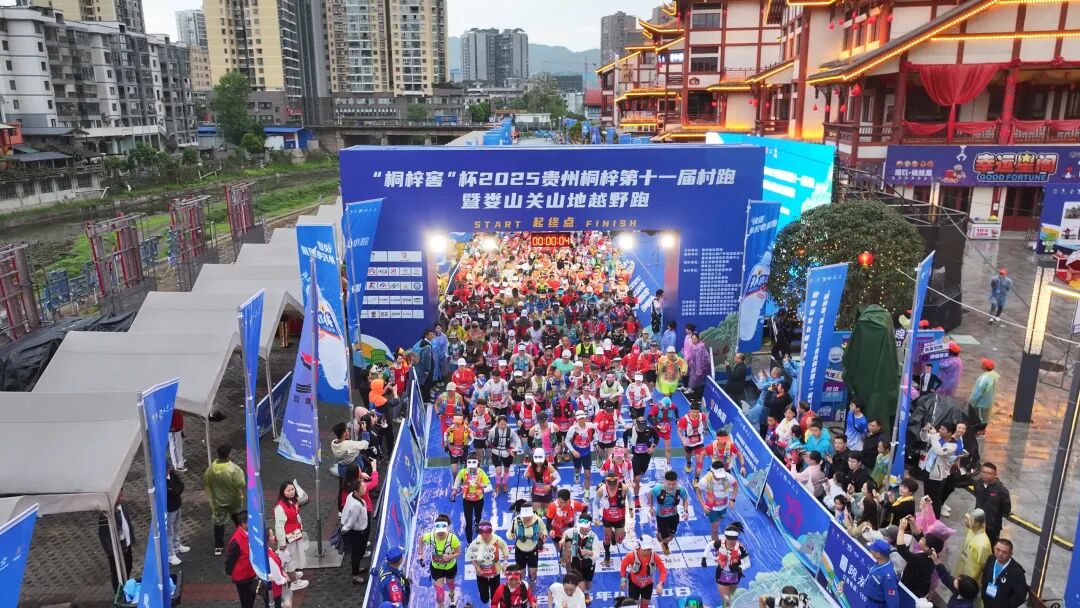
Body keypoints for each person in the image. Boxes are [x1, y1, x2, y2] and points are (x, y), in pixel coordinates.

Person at [204, 443, 245, 555]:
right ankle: (243, 540)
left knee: (218, 522)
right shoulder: (234, 469)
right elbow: (241, 483)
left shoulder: (210, 469)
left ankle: (218, 546)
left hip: (217, 500)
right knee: (238, 519)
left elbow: (206, 483)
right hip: (233, 500)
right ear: (229, 455)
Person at [273, 480, 310, 591]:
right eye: (288, 490)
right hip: (288, 538)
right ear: (283, 492)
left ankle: (292, 574)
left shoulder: (291, 501)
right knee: (289, 560)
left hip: (294, 535)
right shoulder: (280, 507)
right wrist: (282, 543)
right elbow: (279, 527)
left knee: (292, 557)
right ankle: (294, 582)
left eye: (292, 489)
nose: (291, 492)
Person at [702, 523, 750, 608]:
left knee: (731, 594)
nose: (731, 541)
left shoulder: (741, 548)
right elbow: (709, 546)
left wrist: (740, 568)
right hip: (722, 575)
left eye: (733, 539)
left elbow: (748, 563)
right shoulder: (720, 543)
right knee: (727, 600)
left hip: (735, 576)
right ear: (725, 537)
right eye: (729, 538)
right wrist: (704, 557)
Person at [895, 514, 943, 598]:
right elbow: (919, 535)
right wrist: (913, 524)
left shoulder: (920, 559)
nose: (921, 539)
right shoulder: (933, 554)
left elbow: (901, 549)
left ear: (927, 547)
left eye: (923, 540)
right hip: (922, 587)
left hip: (912, 590)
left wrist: (901, 529)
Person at [593, 470, 635, 567]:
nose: (612, 486)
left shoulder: (624, 488)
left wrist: (631, 509)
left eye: (614, 484)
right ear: (606, 482)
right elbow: (595, 503)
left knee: (618, 541)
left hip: (620, 518)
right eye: (610, 484)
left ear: (618, 481)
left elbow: (630, 496)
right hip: (607, 518)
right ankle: (607, 553)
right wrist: (595, 517)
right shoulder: (601, 490)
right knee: (607, 539)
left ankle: (616, 534)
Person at [420, 515, 462, 608]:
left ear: (447, 529)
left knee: (450, 584)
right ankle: (440, 605)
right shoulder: (431, 537)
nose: (440, 535)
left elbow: (459, 552)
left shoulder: (453, 539)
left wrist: (450, 557)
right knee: (439, 593)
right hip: (436, 568)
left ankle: (452, 596)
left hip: (450, 567)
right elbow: (421, 539)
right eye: (438, 533)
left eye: (443, 533)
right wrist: (420, 554)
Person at [466, 520, 510, 607]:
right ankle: (486, 595)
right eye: (483, 534)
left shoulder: (497, 539)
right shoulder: (475, 542)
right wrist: (476, 567)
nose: (485, 536)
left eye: (487, 534)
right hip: (481, 572)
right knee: (484, 599)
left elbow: (505, 548)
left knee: (495, 596)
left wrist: (505, 562)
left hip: (495, 571)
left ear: (491, 532)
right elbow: (470, 556)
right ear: (480, 533)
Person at [920, 422, 959, 516]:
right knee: (926, 496)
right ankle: (926, 516)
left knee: (935, 498)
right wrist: (924, 430)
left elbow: (939, 452)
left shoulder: (952, 445)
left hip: (938, 474)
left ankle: (935, 518)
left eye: (942, 429)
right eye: (940, 428)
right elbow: (924, 438)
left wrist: (933, 437)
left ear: (949, 433)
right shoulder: (937, 436)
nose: (940, 431)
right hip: (927, 470)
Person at [97, 493, 135, 591]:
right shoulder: (105, 515)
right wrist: (111, 553)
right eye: (120, 495)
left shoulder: (123, 505)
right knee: (117, 573)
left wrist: (131, 537)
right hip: (116, 550)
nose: (123, 497)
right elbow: (103, 536)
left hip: (127, 544)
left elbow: (127, 521)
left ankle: (126, 587)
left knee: (128, 566)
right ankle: (118, 592)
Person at [649, 470, 690, 555]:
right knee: (663, 539)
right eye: (669, 484)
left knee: (671, 535)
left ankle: (662, 537)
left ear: (677, 481)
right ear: (665, 481)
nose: (671, 486)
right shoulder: (658, 489)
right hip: (662, 517)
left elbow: (685, 499)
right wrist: (651, 507)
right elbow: (650, 494)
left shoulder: (680, 489)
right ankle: (664, 543)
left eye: (674, 484)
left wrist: (686, 511)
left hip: (674, 516)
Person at [619, 536, 668, 608]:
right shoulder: (631, 556)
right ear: (640, 546)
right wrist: (623, 580)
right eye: (645, 549)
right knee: (633, 605)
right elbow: (623, 566)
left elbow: (663, 571)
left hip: (648, 585)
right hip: (634, 584)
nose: (648, 551)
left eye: (649, 549)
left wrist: (660, 583)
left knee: (645, 605)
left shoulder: (655, 557)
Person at [454, 455, 493, 542]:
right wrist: (455, 489)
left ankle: (477, 523)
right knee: (468, 522)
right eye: (470, 464)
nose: (472, 467)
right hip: (467, 501)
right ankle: (469, 542)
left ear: (477, 464)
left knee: (478, 516)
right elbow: (457, 480)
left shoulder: (482, 473)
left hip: (478, 500)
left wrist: (482, 491)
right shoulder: (463, 472)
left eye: (474, 464)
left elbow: (490, 487)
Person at [697, 461, 739, 544]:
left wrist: (732, 499)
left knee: (720, 520)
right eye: (717, 476)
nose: (720, 478)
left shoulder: (727, 476)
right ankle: (716, 546)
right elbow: (698, 492)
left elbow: (736, 485)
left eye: (721, 476)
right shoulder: (704, 480)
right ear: (712, 472)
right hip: (712, 508)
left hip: (724, 505)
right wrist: (703, 506)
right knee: (715, 528)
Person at [561, 516, 600, 602]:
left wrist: (588, 552)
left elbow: (597, 555)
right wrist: (563, 539)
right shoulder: (574, 531)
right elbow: (566, 533)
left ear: (590, 526)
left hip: (588, 564)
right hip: (576, 563)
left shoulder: (594, 537)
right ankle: (578, 598)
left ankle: (587, 592)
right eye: (582, 527)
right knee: (579, 585)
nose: (584, 529)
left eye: (586, 527)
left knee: (588, 584)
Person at [980, 539, 1028, 608]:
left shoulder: (1017, 572)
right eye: (998, 550)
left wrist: (1006, 605)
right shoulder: (991, 559)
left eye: (1004, 552)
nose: (1000, 554)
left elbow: (1020, 596)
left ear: (1011, 554)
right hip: (988, 602)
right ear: (994, 548)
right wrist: (984, 594)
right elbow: (985, 577)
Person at [340, 479, 370, 585]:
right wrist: (345, 529)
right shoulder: (356, 505)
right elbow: (352, 521)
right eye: (363, 488)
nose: (365, 489)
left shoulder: (351, 496)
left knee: (358, 552)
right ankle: (355, 576)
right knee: (357, 553)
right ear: (356, 491)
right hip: (356, 532)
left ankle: (356, 569)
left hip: (357, 530)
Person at [508, 504, 548, 584]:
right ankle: (523, 586)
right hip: (520, 549)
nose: (526, 518)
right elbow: (509, 533)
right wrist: (511, 536)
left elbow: (544, 530)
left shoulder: (538, 519)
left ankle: (532, 585)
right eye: (524, 516)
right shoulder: (516, 520)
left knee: (533, 572)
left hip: (533, 549)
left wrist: (544, 536)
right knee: (521, 573)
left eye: (528, 516)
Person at [225, 511, 258, 608]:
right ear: (243, 524)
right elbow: (230, 560)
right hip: (243, 578)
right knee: (246, 602)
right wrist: (229, 572)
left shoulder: (249, 533)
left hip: (251, 573)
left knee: (251, 598)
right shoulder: (236, 541)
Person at [974, 463, 1011, 545]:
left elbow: (1006, 507)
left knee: (990, 545)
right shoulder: (978, 484)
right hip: (978, 521)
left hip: (992, 526)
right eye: (983, 472)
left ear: (995, 474)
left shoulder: (1001, 490)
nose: (986, 475)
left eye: (989, 473)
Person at [952, 508, 992, 585]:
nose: (968, 522)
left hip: (972, 577)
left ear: (977, 523)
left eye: (970, 520)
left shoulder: (983, 544)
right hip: (964, 566)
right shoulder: (973, 530)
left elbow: (983, 565)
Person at [546, 489, 586, 556]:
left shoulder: (574, 504)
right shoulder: (552, 506)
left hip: (568, 529)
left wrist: (582, 521)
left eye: (565, 502)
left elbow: (585, 509)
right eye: (561, 502)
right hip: (556, 532)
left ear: (569, 499)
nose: (563, 505)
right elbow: (548, 522)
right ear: (558, 499)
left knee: (568, 551)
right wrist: (550, 530)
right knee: (560, 551)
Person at [488, 415, 522, 495]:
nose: (503, 426)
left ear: (507, 423)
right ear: (498, 423)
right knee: (498, 471)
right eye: (501, 424)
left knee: (506, 470)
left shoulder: (511, 431)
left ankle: (504, 483)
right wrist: (488, 444)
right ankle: (497, 484)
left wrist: (515, 449)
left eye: (504, 424)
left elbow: (518, 441)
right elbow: (488, 440)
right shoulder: (493, 431)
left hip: (507, 453)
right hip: (496, 452)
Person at [565, 410, 597, 494]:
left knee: (588, 475)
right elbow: (567, 441)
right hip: (577, 452)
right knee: (577, 469)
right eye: (580, 419)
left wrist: (595, 442)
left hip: (587, 452)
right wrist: (573, 451)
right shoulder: (572, 429)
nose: (581, 420)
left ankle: (587, 493)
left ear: (585, 418)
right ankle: (576, 474)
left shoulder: (590, 426)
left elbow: (595, 435)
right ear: (576, 419)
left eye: (583, 418)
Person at [627, 417, 658, 497]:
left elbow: (656, 438)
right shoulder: (631, 431)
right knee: (637, 478)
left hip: (646, 456)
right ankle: (636, 496)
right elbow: (624, 436)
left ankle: (636, 479)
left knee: (642, 472)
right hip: (635, 456)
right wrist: (626, 449)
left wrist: (652, 447)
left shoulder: (650, 430)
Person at [678, 404, 710, 481]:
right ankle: (689, 463)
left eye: (697, 412)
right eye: (693, 412)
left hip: (699, 443)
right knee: (688, 456)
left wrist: (706, 428)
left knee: (699, 461)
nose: (695, 414)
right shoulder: (684, 420)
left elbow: (705, 420)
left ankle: (696, 479)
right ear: (690, 411)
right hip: (688, 443)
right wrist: (683, 439)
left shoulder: (702, 416)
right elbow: (679, 431)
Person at [866, 538, 901, 608]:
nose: (871, 550)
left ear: (878, 554)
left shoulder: (889, 576)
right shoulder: (879, 563)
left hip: (877, 605)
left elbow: (893, 601)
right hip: (870, 602)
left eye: (873, 549)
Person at [165, 466, 189, 566]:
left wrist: (176, 490)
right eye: (168, 468)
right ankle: (170, 555)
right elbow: (172, 492)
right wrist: (176, 490)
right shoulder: (159, 480)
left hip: (177, 505)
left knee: (177, 527)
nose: (169, 470)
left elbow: (181, 485)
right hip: (169, 509)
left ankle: (176, 546)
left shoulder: (172, 474)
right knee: (169, 532)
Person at [969, 359, 1000, 424]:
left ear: (985, 367)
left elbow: (979, 391)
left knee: (980, 419)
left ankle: (980, 429)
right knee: (984, 418)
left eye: (983, 364)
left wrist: (972, 400)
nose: (981, 365)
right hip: (988, 401)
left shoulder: (985, 377)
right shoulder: (993, 375)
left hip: (981, 403)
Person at [650, 395, 679, 462]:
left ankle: (668, 463)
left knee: (668, 449)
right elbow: (649, 418)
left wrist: (677, 419)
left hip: (667, 429)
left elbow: (676, 409)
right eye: (665, 406)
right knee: (652, 447)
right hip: (657, 429)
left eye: (668, 407)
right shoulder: (655, 407)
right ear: (661, 404)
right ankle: (647, 460)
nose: (667, 408)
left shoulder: (671, 405)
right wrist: (657, 426)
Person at [444, 413, 471, 478]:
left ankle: (464, 480)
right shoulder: (451, 428)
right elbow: (445, 434)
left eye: (458, 422)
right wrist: (445, 443)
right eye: (456, 422)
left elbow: (472, 437)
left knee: (464, 469)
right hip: (453, 450)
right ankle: (455, 480)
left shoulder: (466, 428)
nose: (457, 424)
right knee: (454, 470)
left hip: (463, 449)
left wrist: (468, 445)